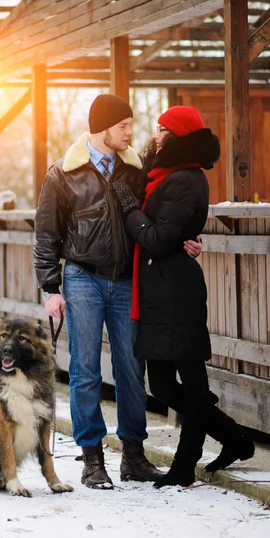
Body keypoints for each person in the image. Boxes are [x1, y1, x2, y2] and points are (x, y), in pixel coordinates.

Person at [33, 94, 201, 490]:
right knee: (86, 371)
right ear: (103, 128)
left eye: (131, 125)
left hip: (127, 281)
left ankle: (133, 456)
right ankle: (92, 459)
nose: (130, 131)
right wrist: (49, 288)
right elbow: (45, 236)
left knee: (130, 369)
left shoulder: (134, 171)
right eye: (123, 125)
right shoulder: (62, 174)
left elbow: (157, 218)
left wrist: (184, 241)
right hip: (81, 279)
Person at [113, 105, 255, 488]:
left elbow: (158, 238)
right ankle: (234, 437)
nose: (154, 134)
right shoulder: (164, 175)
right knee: (161, 385)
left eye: (161, 129)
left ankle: (184, 464)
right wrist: (140, 169)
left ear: (176, 137)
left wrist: (130, 209)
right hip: (159, 290)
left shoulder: (187, 180)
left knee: (191, 384)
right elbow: (159, 223)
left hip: (176, 291)